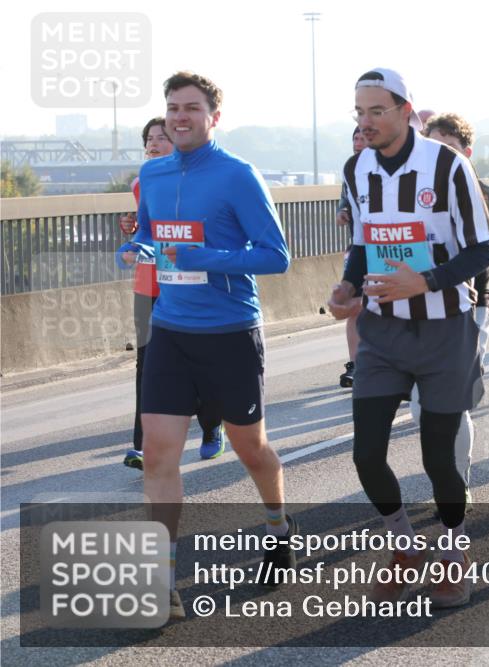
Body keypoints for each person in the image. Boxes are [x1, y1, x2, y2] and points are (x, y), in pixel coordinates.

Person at [115, 71, 294, 619]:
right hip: (170, 331)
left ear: (214, 117)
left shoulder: (239, 175)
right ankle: (164, 583)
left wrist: (209, 259)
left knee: (250, 449)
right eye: (172, 108)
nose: (180, 116)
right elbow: (151, 234)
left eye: (191, 108)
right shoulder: (153, 170)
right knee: (159, 456)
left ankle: (278, 524)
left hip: (230, 334)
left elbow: (276, 255)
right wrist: (138, 248)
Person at [328, 68, 489, 608]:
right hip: (381, 330)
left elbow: (481, 250)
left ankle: (451, 550)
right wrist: (348, 286)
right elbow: (363, 242)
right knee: (366, 454)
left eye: (377, 110)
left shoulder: (448, 166)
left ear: (406, 111)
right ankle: (403, 547)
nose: (367, 121)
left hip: (445, 328)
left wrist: (422, 281)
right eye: (360, 112)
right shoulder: (357, 169)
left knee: (437, 458)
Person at [419, 111, 489, 498]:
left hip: (469, 310)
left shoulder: (485, 194)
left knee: (452, 404)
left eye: (449, 149)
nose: (440, 158)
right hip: (414, 312)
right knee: (420, 410)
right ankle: (446, 477)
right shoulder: (410, 193)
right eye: (433, 148)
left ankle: (456, 486)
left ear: (467, 152)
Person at [119, 118, 225, 471]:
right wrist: (132, 234)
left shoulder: (198, 179)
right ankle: (144, 445)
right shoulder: (142, 181)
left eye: (161, 138)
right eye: (148, 139)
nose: (153, 144)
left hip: (187, 283)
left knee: (198, 364)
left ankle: (212, 424)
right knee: (146, 367)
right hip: (148, 285)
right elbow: (148, 227)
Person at [334, 126, 367, 388]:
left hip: (391, 250)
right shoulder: (351, 168)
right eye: (354, 137)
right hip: (359, 248)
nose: (358, 142)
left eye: (363, 138)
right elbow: (345, 199)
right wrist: (342, 211)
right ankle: (355, 364)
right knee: (354, 306)